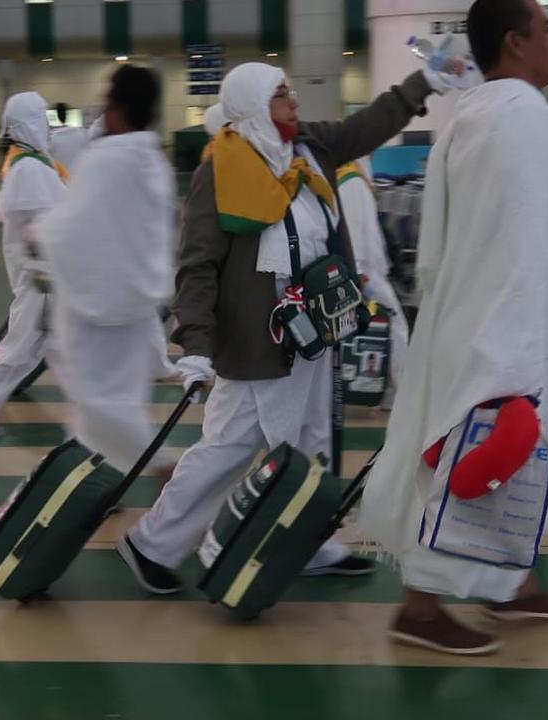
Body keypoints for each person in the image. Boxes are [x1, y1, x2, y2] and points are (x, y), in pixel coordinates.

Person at [116, 56, 451, 595]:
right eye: (282, 94)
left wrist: (422, 83)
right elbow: (198, 265)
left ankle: (314, 540)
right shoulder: (219, 169)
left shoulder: (309, 149)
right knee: (226, 449)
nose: (294, 102)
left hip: (313, 332)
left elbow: (365, 128)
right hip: (257, 341)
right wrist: (195, 345)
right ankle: (150, 543)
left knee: (313, 440)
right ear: (252, 105)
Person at [360, 0, 548, 656]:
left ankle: (511, 586)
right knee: (472, 456)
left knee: (497, 459)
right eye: (546, 31)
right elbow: (518, 244)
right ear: (515, 43)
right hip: (504, 323)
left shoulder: (478, 113)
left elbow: (451, 242)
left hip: (470, 313)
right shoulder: (520, 118)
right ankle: (420, 608)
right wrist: (512, 349)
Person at [36, 66, 179, 483]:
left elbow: (72, 225)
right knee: (121, 398)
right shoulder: (153, 159)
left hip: (95, 308)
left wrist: (38, 235)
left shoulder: (105, 159)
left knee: (94, 399)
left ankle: (161, 465)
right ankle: (92, 478)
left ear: (117, 107)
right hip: (136, 303)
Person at [0, 92, 69, 437]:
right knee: (24, 345)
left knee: (37, 347)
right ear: (25, 124)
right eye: (40, 120)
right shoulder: (30, 169)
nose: (46, 128)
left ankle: (97, 417)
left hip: (44, 276)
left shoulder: (31, 162)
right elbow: (43, 224)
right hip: (42, 278)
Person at [336, 156, 409, 407]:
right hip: (367, 272)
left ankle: (389, 389)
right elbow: (355, 230)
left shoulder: (351, 179)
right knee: (396, 327)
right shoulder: (353, 183)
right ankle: (400, 391)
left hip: (366, 270)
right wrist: (358, 274)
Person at [48, 102, 89, 172]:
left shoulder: (52, 140)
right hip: (80, 176)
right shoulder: (82, 134)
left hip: (62, 178)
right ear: (68, 114)